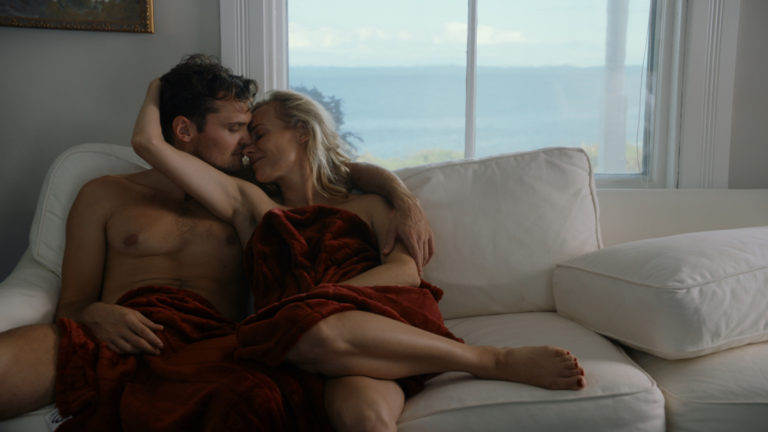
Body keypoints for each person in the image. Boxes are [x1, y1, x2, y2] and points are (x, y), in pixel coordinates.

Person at [0, 55, 437, 431]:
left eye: (253, 131)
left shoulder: (254, 193)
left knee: (252, 402)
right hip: (117, 335)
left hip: (210, 343)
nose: (247, 143)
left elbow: (335, 172)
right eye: (235, 128)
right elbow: (72, 303)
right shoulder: (104, 194)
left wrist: (403, 199)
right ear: (184, 129)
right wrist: (96, 314)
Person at [130, 79, 587, 429]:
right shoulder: (251, 205)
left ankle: (491, 361)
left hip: (378, 320)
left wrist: (323, 300)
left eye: (259, 133)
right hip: (302, 344)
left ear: (301, 133)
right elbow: (148, 144)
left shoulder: (367, 204)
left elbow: (405, 272)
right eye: (244, 136)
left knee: (324, 343)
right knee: (361, 417)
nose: (247, 145)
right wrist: (158, 87)